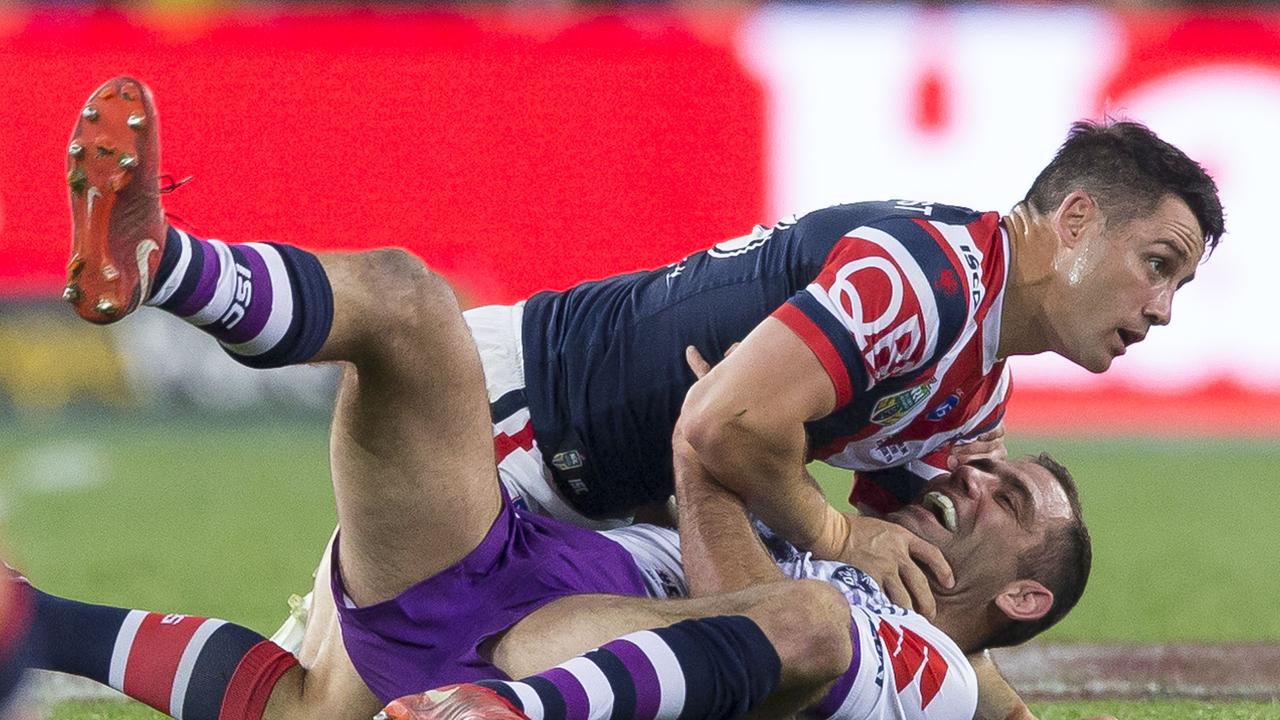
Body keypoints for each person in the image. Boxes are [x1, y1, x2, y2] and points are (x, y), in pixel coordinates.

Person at [39, 77, 1094, 720]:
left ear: (1023, 597)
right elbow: (734, 441)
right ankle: (163, 263)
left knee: (318, 705)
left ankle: (32, 622)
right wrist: (762, 486)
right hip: (522, 492)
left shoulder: (914, 652)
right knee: (407, 299)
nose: (979, 476)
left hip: (543, 594)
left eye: (1013, 503)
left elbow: (736, 484)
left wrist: (717, 469)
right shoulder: (932, 290)